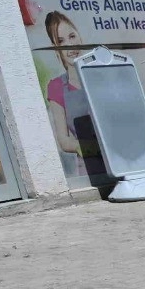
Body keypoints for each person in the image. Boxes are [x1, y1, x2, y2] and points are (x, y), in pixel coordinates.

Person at [42, 11, 98, 177]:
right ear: (56, 49)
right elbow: (64, 141)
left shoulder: (100, 75)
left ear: (80, 36)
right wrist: (92, 148)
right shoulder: (56, 86)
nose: (70, 45)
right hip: (89, 168)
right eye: (61, 41)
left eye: (72, 36)